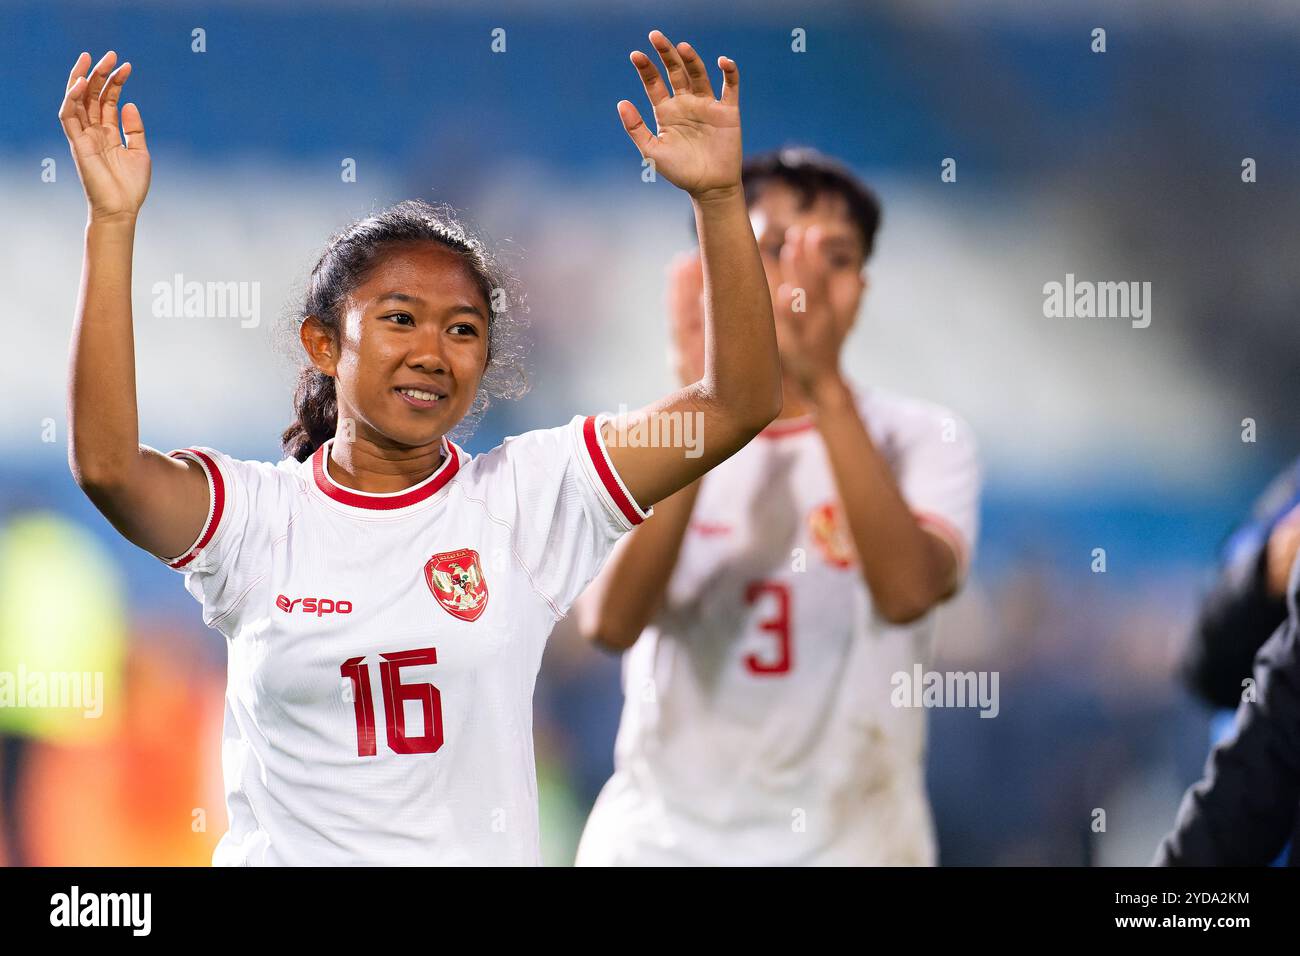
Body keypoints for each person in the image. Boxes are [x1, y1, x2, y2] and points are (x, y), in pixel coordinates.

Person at [57, 33, 781, 865]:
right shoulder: (254, 517)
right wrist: (111, 222)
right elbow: (109, 467)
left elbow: (737, 402)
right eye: (399, 318)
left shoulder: (531, 498)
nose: (433, 350)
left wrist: (720, 198)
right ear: (324, 345)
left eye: (463, 330)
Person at [574, 148, 981, 866]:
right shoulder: (649, 435)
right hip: (664, 846)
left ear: (861, 288)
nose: (805, 276)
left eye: (838, 256)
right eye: (772, 247)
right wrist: (703, 399)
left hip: (854, 847)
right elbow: (609, 621)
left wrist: (822, 385)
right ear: (717, 266)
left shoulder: (922, 438)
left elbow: (909, 590)